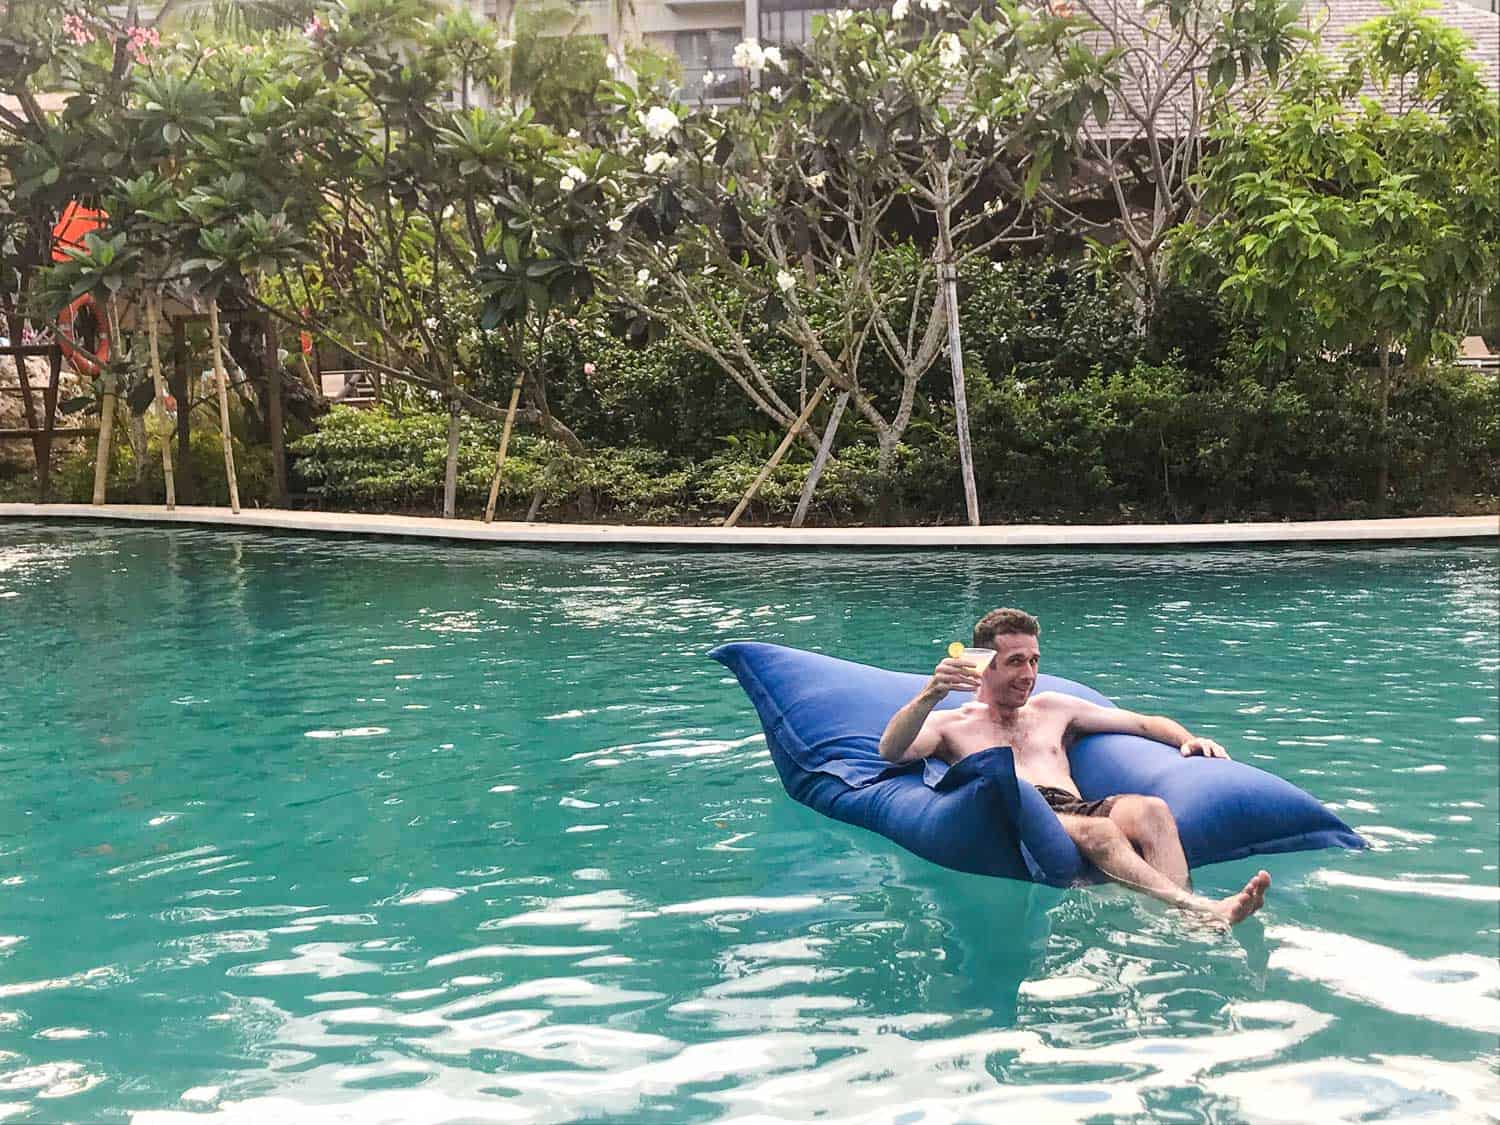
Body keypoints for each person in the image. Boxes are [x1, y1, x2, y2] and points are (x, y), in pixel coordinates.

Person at [878, 607, 1269, 927]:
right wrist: (931, 693)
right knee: (1102, 832)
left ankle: (1179, 920)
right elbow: (892, 751)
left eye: (1034, 661)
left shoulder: (1054, 708)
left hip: (1075, 804)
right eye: (1016, 662)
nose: (1029, 674)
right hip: (1026, 811)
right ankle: (1200, 912)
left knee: (1154, 811)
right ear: (985, 666)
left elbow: (1143, 723)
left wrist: (1188, 738)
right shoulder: (953, 724)